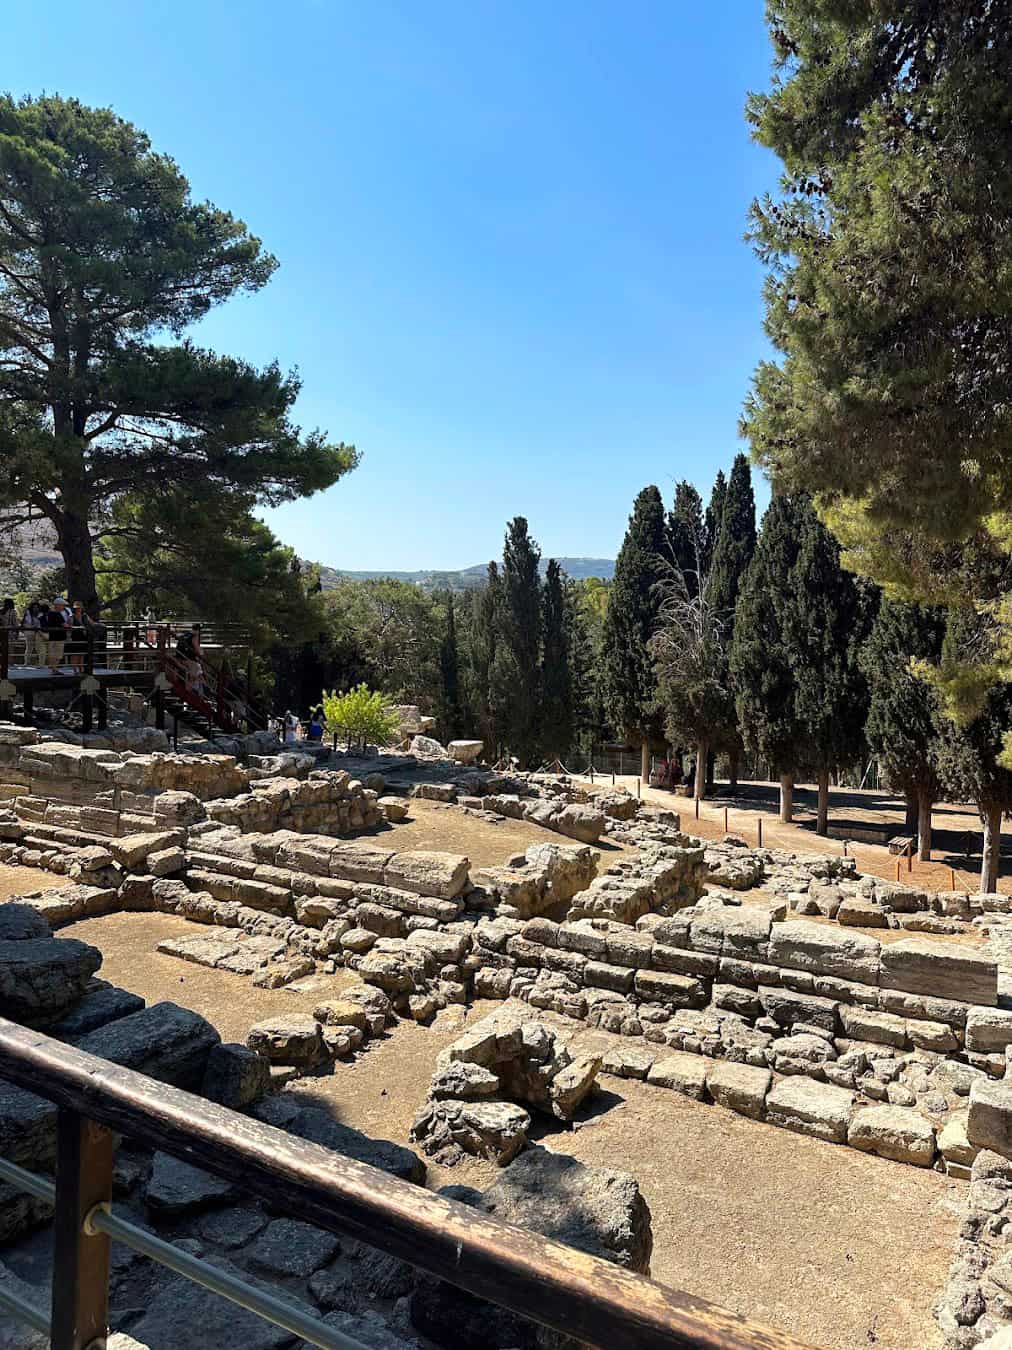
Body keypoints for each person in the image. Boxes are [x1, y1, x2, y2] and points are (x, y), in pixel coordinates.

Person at [42, 601, 68, 671]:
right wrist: (68, 626)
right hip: (59, 637)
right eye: (62, 605)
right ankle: (54, 668)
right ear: (58, 605)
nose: (63, 607)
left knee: (52, 653)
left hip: (52, 636)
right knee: (58, 654)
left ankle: (53, 667)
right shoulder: (57, 614)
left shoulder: (49, 614)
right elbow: (64, 624)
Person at [21, 602, 41, 667]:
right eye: (34, 607)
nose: (36, 609)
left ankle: (39, 662)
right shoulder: (28, 613)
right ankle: (26, 662)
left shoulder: (40, 614)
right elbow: (28, 622)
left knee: (38, 648)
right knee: (29, 647)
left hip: (38, 633)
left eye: (37, 607)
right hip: (29, 632)